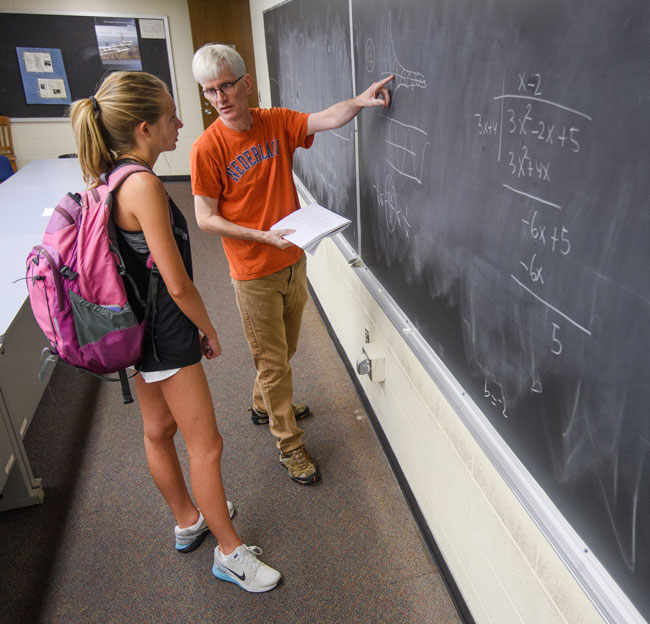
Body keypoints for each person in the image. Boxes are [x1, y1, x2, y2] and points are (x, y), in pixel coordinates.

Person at [69, 71, 280, 593]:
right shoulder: (142, 184)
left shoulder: (110, 176)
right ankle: (230, 553)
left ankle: (189, 519)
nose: (182, 122)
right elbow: (178, 281)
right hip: (164, 331)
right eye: (170, 116)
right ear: (143, 129)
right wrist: (207, 329)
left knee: (158, 430)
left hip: (136, 330)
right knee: (206, 445)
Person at [190, 44, 393, 486]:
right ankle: (289, 444)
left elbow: (328, 117)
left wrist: (359, 102)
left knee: (284, 350)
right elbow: (205, 218)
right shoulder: (207, 148)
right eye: (210, 91)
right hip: (252, 271)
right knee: (275, 363)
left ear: (246, 83)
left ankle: (264, 404)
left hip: (293, 259)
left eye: (226, 86)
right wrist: (260, 235)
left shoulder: (274, 122)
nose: (220, 98)